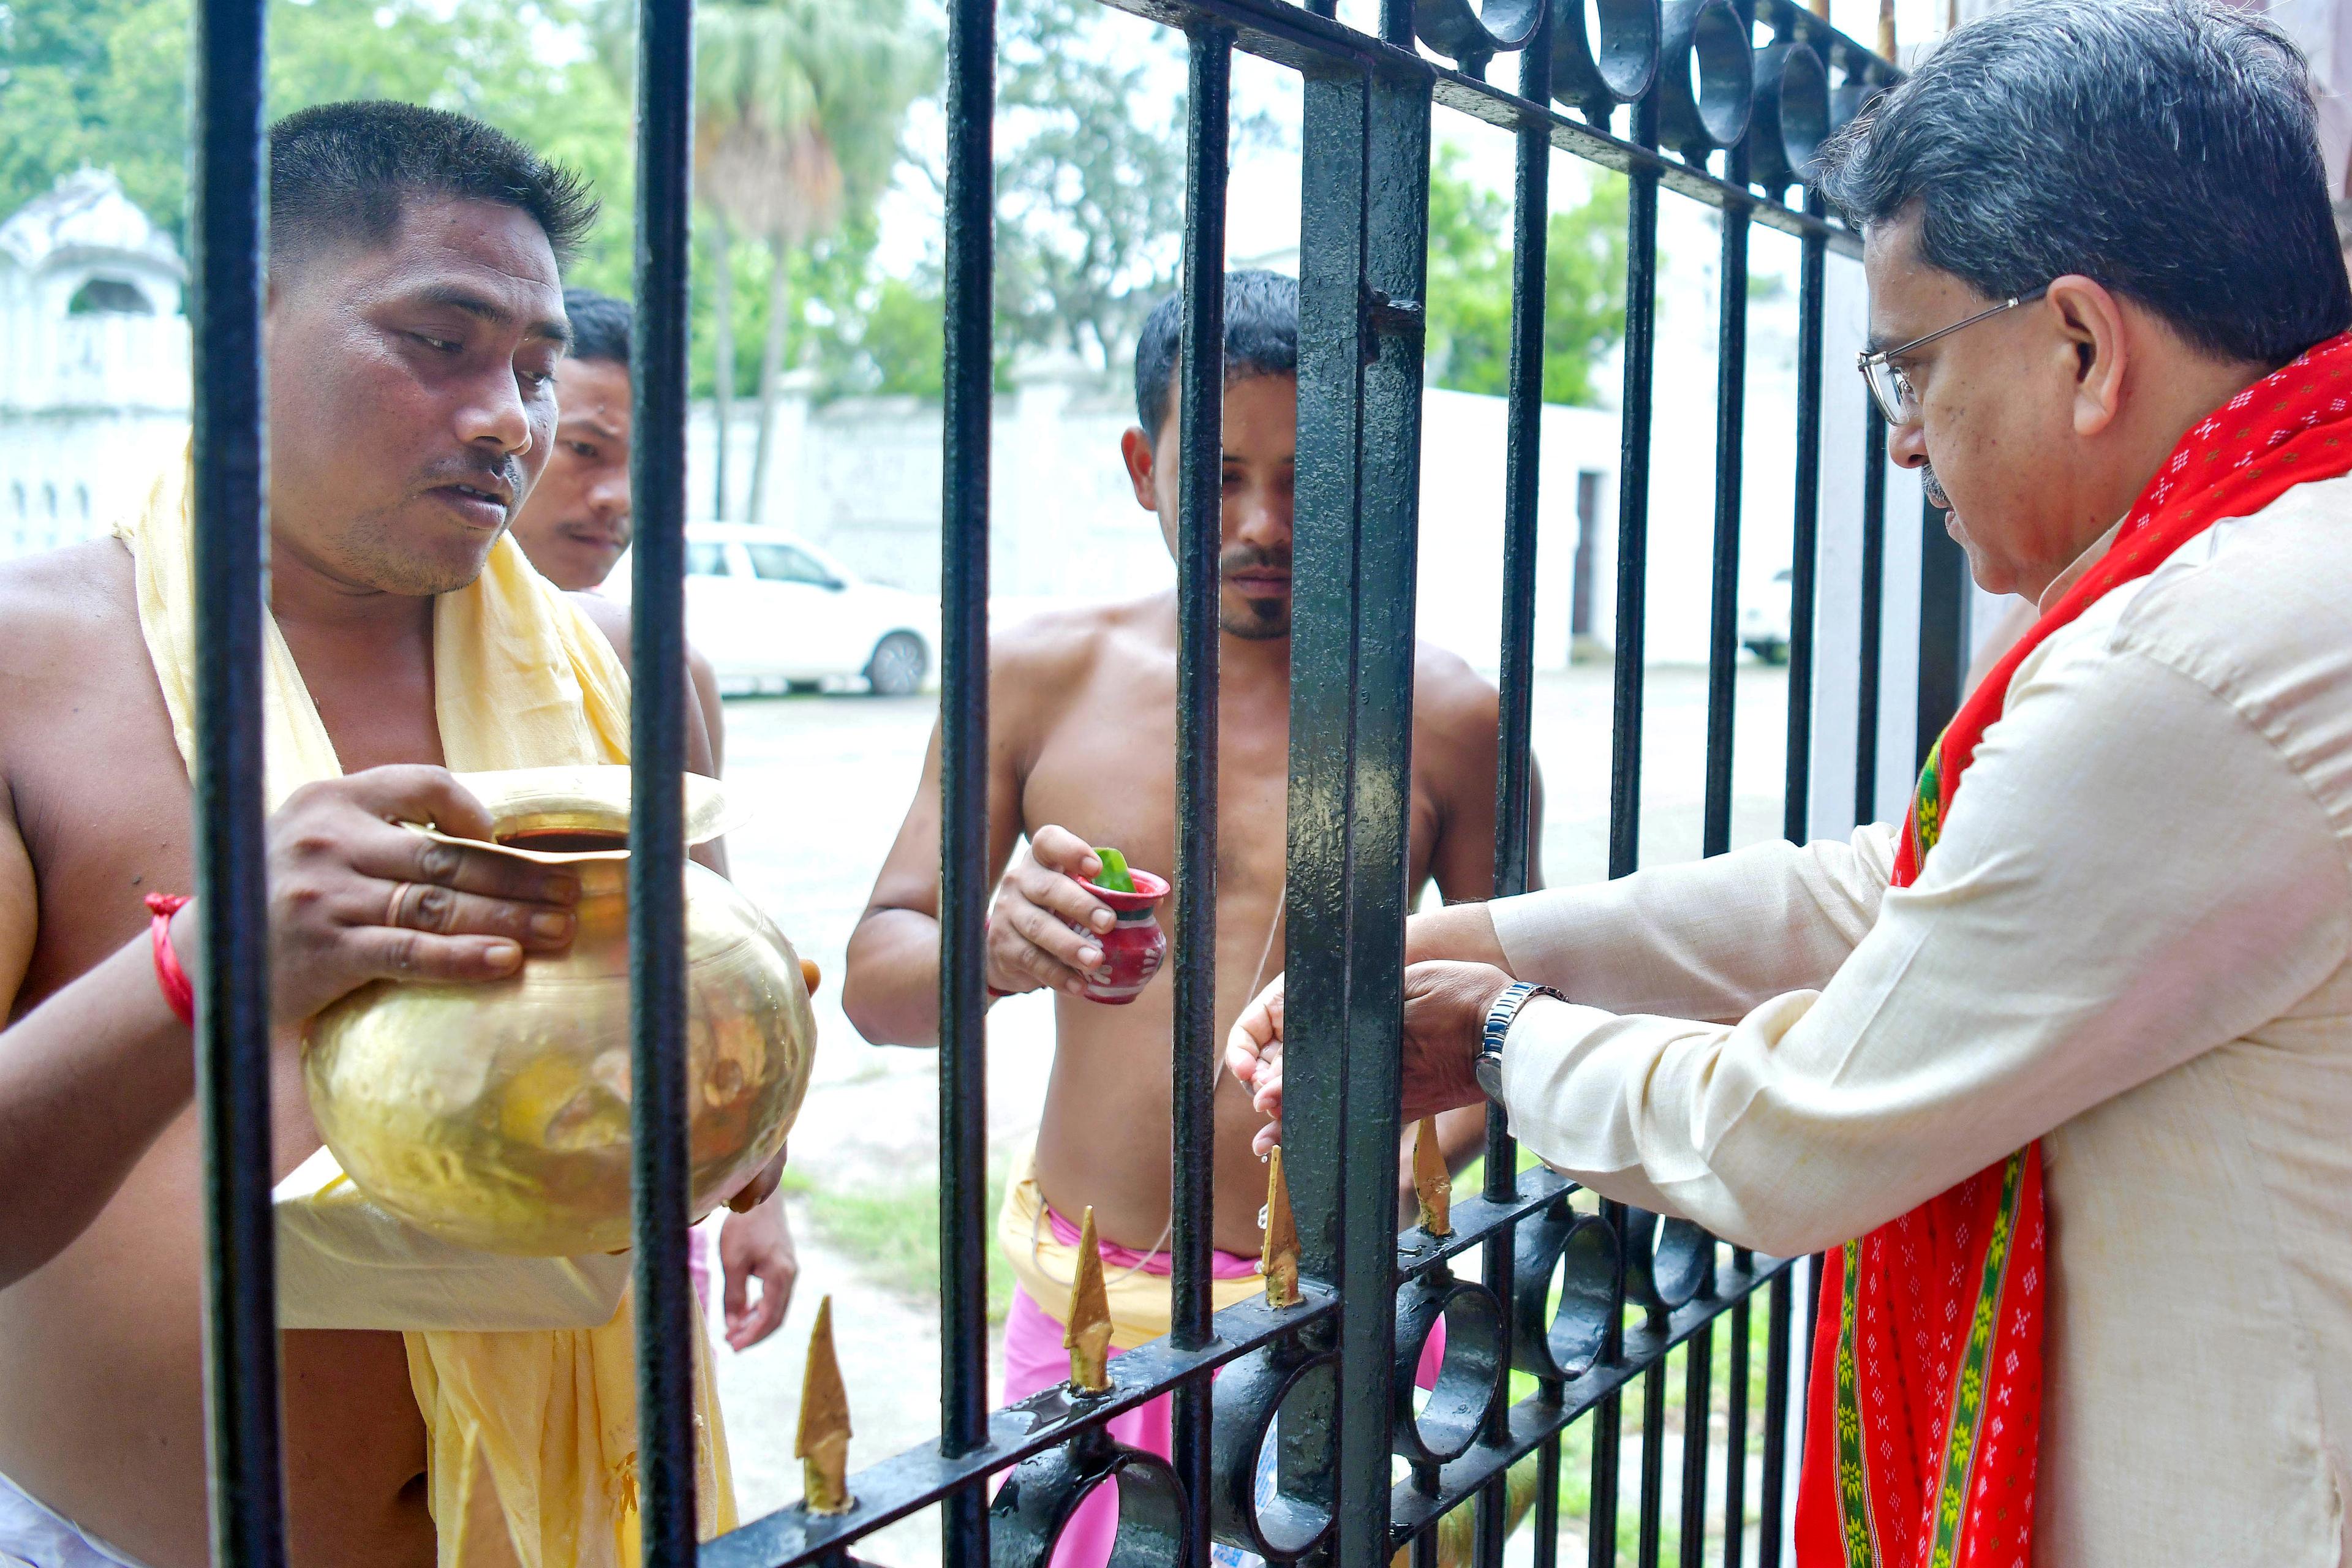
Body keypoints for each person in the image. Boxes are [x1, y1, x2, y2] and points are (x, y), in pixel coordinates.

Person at [1230, 3, 2352, 1563]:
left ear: (2084, 348)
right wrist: (1488, 938)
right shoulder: (2280, 560)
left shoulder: (2194, 659)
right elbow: (1900, 887)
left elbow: (1795, 1131)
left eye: (1913, 370)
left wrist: (1494, 1034)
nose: (1906, 446)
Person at [0, 102, 759, 1567]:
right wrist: (202, 969)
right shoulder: (32, 667)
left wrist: (731, 1090)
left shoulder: (623, 676)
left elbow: (705, 1046)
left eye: (533, 368)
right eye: (440, 340)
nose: (511, 419)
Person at [844, 271, 1534, 1568]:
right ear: (1141, 466)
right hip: (1087, 1314)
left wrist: (1408, 1154)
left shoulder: (1446, 716)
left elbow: (1523, 1014)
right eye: (1218, 477)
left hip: (1341, 1309)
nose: (1263, 523)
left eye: (1305, 479)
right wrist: (993, 951)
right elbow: (876, 981)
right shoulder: (1031, 675)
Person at [505, 284, 793, 1351]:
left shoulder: (656, 664)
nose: (617, 497)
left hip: (632, 1194)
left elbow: (719, 954)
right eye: (585, 450)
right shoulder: (358, 656)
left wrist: (761, 1192)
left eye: (647, 467)